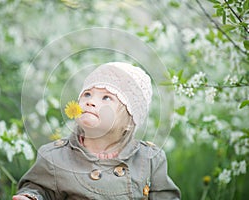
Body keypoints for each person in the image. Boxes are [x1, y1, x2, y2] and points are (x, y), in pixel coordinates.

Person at [13, 62, 181, 200]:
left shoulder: (149, 159)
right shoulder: (55, 156)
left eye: (106, 98)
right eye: (87, 94)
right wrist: (31, 197)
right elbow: (39, 188)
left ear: (130, 121)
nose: (90, 102)